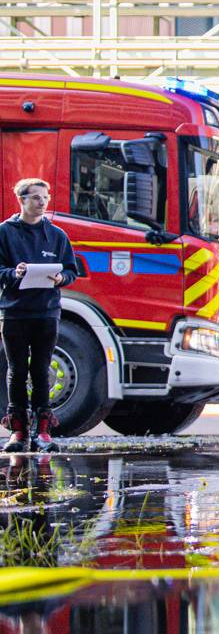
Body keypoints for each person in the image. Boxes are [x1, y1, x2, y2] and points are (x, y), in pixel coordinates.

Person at [0, 179, 81, 453]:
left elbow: (72, 270)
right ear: (21, 200)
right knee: (17, 371)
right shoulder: (5, 232)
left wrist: (60, 278)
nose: (42, 202)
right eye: (36, 198)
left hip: (47, 312)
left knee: (42, 371)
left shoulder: (57, 235)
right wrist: (14, 273)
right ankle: (18, 431)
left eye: (45, 197)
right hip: (15, 312)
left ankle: (43, 432)